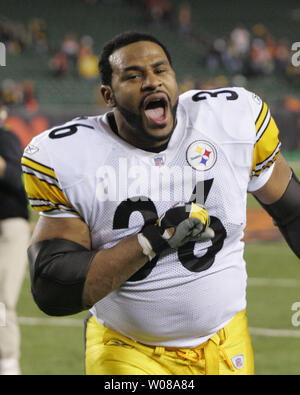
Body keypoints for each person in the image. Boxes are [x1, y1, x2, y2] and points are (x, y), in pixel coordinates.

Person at [22, 31, 300, 375]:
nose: (151, 82)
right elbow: (53, 285)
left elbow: (293, 211)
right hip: (128, 349)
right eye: (134, 75)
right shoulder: (71, 156)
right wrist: (155, 238)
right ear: (107, 95)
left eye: (160, 70)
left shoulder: (230, 119)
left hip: (226, 342)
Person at [0, 104, 30, 375]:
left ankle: (8, 364)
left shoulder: (6, 137)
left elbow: (17, 180)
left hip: (8, 228)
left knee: (1, 300)